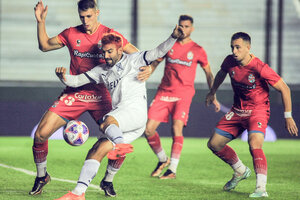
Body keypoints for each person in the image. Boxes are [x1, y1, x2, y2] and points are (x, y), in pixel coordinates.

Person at [30, 0, 154, 196]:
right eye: (82, 17)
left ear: (97, 13)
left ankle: (108, 180)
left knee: (116, 138)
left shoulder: (110, 35)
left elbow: (137, 55)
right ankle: (42, 176)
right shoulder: (71, 34)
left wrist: (150, 68)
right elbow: (44, 46)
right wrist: (40, 22)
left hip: (102, 96)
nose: (86, 21)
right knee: (40, 134)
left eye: (89, 16)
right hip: (75, 93)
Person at [53, 25, 184, 200]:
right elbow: (77, 81)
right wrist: (63, 77)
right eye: (104, 52)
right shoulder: (101, 71)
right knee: (96, 149)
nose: (105, 56)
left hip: (134, 113)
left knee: (107, 120)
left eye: (109, 52)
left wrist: (173, 36)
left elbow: (158, 51)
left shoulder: (135, 60)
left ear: (120, 49)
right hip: (124, 120)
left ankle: (120, 145)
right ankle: (80, 192)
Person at [206, 32, 298, 198]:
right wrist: (212, 92)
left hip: (258, 110)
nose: (234, 51)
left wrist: (288, 116)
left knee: (254, 144)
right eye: (232, 47)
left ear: (248, 48)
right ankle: (240, 170)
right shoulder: (229, 61)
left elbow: (285, 88)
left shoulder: (259, 67)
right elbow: (221, 74)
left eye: (238, 47)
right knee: (214, 144)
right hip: (237, 110)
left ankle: (261, 188)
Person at [144, 15, 220, 179]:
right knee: (148, 130)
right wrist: (146, 73)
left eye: (186, 27)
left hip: (183, 94)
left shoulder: (198, 50)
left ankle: (172, 169)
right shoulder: (169, 45)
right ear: (177, 27)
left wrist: (212, 93)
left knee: (176, 128)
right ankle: (163, 159)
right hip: (164, 92)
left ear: (192, 29)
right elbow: (155, 63)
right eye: (181, 26)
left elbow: (208, 73)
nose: (183, 29)